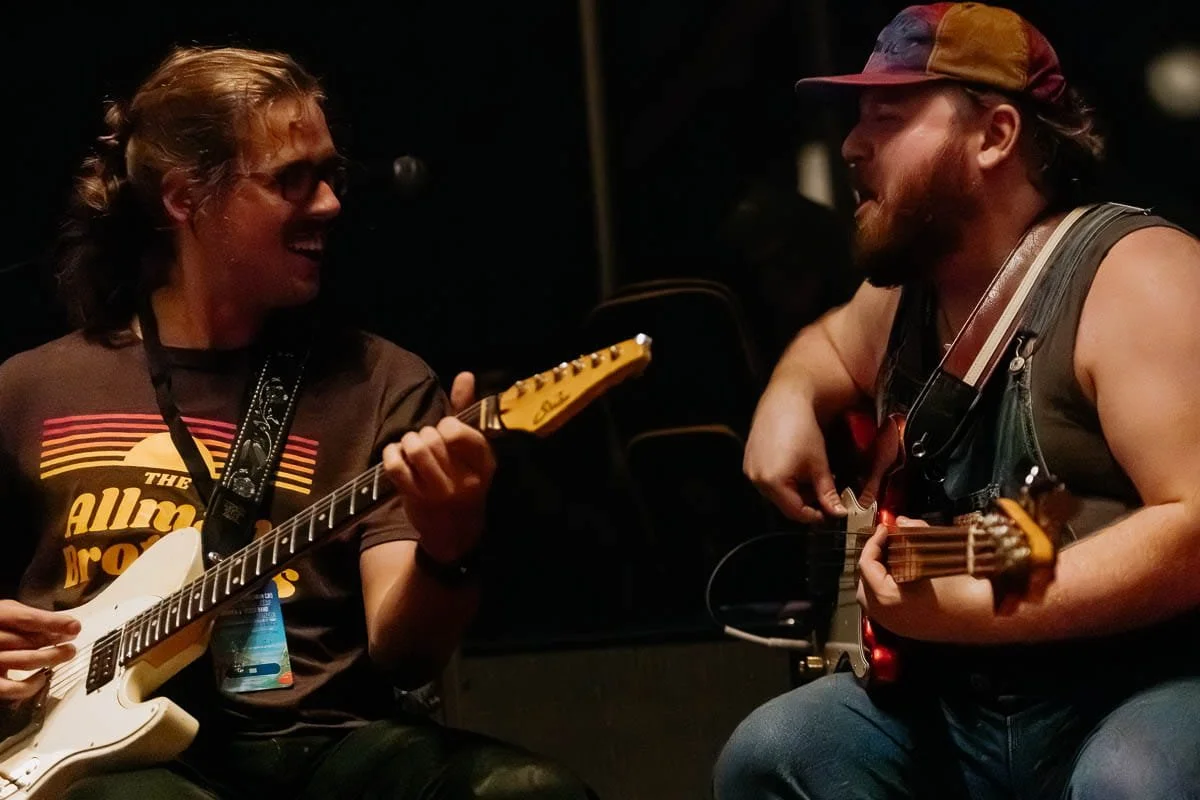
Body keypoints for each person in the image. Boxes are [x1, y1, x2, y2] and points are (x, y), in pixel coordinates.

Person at [0, 45, 594, 799]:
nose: (330, 204)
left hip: (323, 744)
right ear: (186, 199)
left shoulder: (380, 382)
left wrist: (451, 543)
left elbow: (405, 652)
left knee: (530, 793)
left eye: (332, 176)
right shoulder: (31, 388)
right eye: (292, 180)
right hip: (109, 760)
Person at [715, 3, 1200, 798]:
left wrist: (968, 609)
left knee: (1134, 781)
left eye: (889, 114)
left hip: (1141, 696)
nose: (851, 144)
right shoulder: (909, 296)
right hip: (959, 707)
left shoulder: (1139, 278)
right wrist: (788, 398)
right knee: (777, 752)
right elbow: (827, 348)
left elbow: (1195, 527)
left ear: (995, 135)